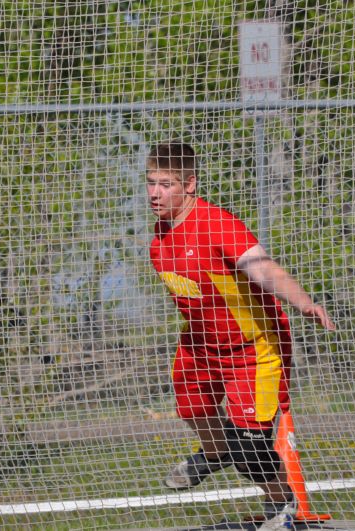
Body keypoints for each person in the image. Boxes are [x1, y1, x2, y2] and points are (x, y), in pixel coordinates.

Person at [145, 142, 335, 530]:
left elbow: (263, 268)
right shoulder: (159, 236)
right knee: (193, 409)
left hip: (253, 348)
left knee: (249, 449)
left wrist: (304, 302)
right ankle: (214, 454)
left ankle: (284, 507)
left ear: (190, 184)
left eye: (166, 184)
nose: (155, 193)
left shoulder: (217, 225)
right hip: (200, 345)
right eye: (150, 183)